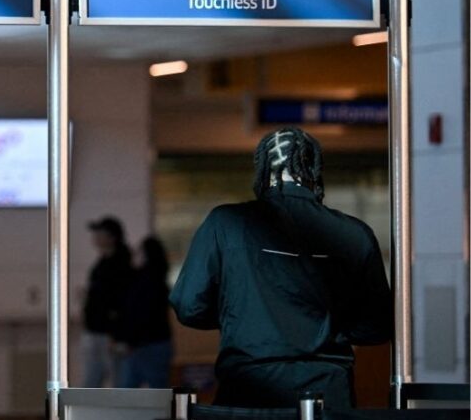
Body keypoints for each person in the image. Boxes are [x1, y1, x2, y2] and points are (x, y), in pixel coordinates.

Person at [170, 127, 392, 409]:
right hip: (327, 391)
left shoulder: (226, 224)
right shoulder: (355, 234)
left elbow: (189, 306)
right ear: (314, 169)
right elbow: (377, 326)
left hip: (249, 390)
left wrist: (240, 315)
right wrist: (329, 325)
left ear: (262, 169)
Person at [113, 236, 174, 388]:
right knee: (156, 389)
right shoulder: (158, 280)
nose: (135, 255)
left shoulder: (144, 282)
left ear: (146, 255)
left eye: (139, 251)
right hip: (156, 342)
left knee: (131, 390)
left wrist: (128, 340)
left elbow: (139, 315)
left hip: (145, 345)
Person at [82, 216, 132, 387]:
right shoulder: (103, 262)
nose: (95, 237)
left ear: (112, 237)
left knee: (116, 378)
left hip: (109, 332)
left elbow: (121, 301)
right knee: (93, 377)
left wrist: (117, 333)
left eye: (100, 233)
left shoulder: (121, 263)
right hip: (96, 328)